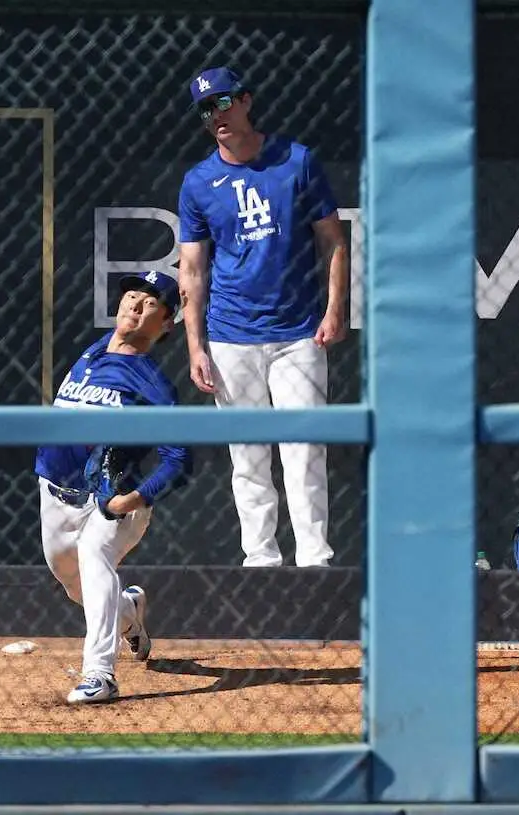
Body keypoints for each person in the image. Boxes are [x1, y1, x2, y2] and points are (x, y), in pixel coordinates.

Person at [176, 66, 349, 569]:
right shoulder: (199, 182)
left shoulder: (297, 161)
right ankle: (261, 563)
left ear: (246, 100)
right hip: (231, 336)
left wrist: (335, 309)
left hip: (298, 333)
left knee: (305, 449)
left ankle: (315, 561)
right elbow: (192, 269)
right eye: (206, 110)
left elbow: (334, 240)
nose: (216, 116)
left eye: (224, 103)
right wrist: (195, 346)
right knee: (247, 457)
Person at [34, 270, 192, 704]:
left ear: (165, 324)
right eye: (132, 296)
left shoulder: (153, 384)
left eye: (149, 304)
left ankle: (99, 674)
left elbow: (180, 459)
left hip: (113, 499)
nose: (135, 306)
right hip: (55, 491)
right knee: (72, 580)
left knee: (93, 554)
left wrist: (131, 500)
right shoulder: (92, 353)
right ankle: (129, 614)